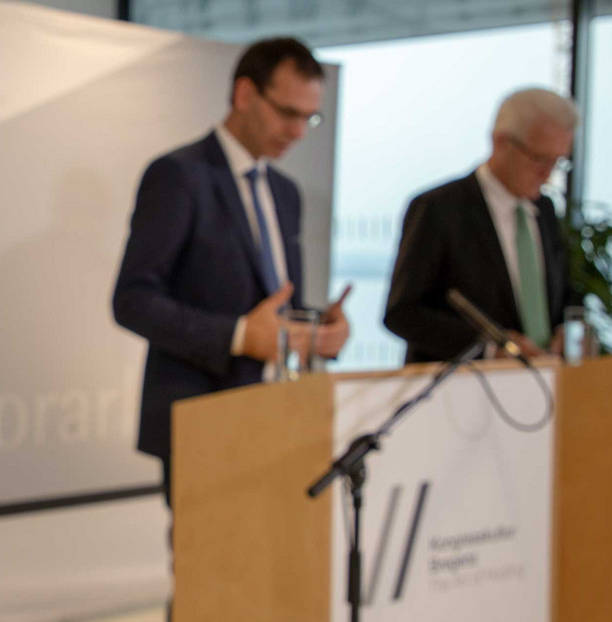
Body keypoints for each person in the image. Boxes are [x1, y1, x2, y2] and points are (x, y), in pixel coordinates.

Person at [112, 37, 350, 506]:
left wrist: (315, 328)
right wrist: (239, 336)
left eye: (310, 118)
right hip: (204, 413)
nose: (299, 132)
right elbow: (133, 299)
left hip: (281, 413)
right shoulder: (179, 175)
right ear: (245, 95)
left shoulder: (285, 192)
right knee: (211, 574)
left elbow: (276, 300)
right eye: (288, 113)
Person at [384, 88, 579, 363]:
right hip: (461, 390)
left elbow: (563, 296)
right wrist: (490, 347)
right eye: (539, 158)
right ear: (501, 142)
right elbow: (402, 312)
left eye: (558, 161)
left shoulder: (545, 210)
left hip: (542, 384)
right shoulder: (439, 208)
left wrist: (565, 332)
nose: (548, 174)